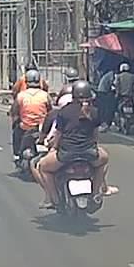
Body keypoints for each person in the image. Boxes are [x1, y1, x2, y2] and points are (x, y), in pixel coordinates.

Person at [33, 80, 109, 209]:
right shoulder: (94, 111)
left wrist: (54, 148)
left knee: (42, 167)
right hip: (90, 153)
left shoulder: (64, 111)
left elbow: (58, 134)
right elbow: (95, 134)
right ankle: (96, 193)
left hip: (66, 154)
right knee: (104, 161)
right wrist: (94, 146)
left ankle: (54, 199)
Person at [11, 72, 51, 161]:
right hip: (42, 128)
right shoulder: (45, 95)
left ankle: (17, 155)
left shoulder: (21, 95)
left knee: (16, 132)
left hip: (25, 127)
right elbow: (50, 111)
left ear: (26, 81)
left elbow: (14, 111)